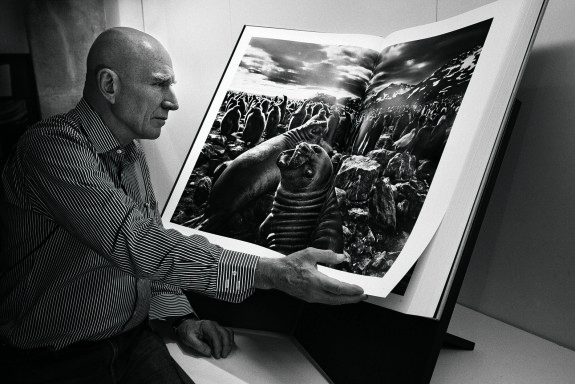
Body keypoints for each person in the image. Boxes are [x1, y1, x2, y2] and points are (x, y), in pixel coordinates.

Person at [0, 27, 366, 383]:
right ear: (109, 85)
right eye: (160, 83)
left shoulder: (129, 151)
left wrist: (180, 318)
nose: (173, 100)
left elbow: (152, 244)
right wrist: (270, 272)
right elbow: (140, 244)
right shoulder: (50, 149)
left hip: (133, 342)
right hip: (54, 361)